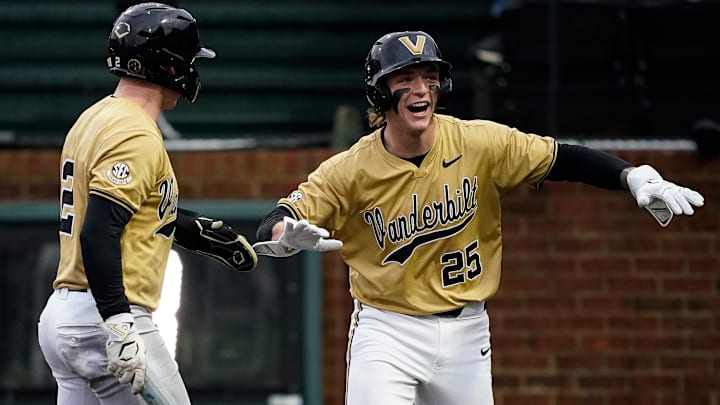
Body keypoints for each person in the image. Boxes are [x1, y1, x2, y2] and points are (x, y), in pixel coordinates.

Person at [253, 31, 705, 405]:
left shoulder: (477, 142)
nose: (420, 89)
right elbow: (280, 216)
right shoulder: (350, 168)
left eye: (429, 77)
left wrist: (632, 176)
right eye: (404, 78)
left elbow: (560, 158)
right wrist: (284, 235)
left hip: (467, 329)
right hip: (387, 330)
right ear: (379, 91)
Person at [37, 3, 257, 405]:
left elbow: (122, 210)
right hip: (107, 316)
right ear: (170, 67)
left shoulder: (94, 116)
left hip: (64, 316)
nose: (194, 70)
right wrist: (120, 323)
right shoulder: (135, 131)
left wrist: (194, 232)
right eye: (189, 61)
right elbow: (99, 228)